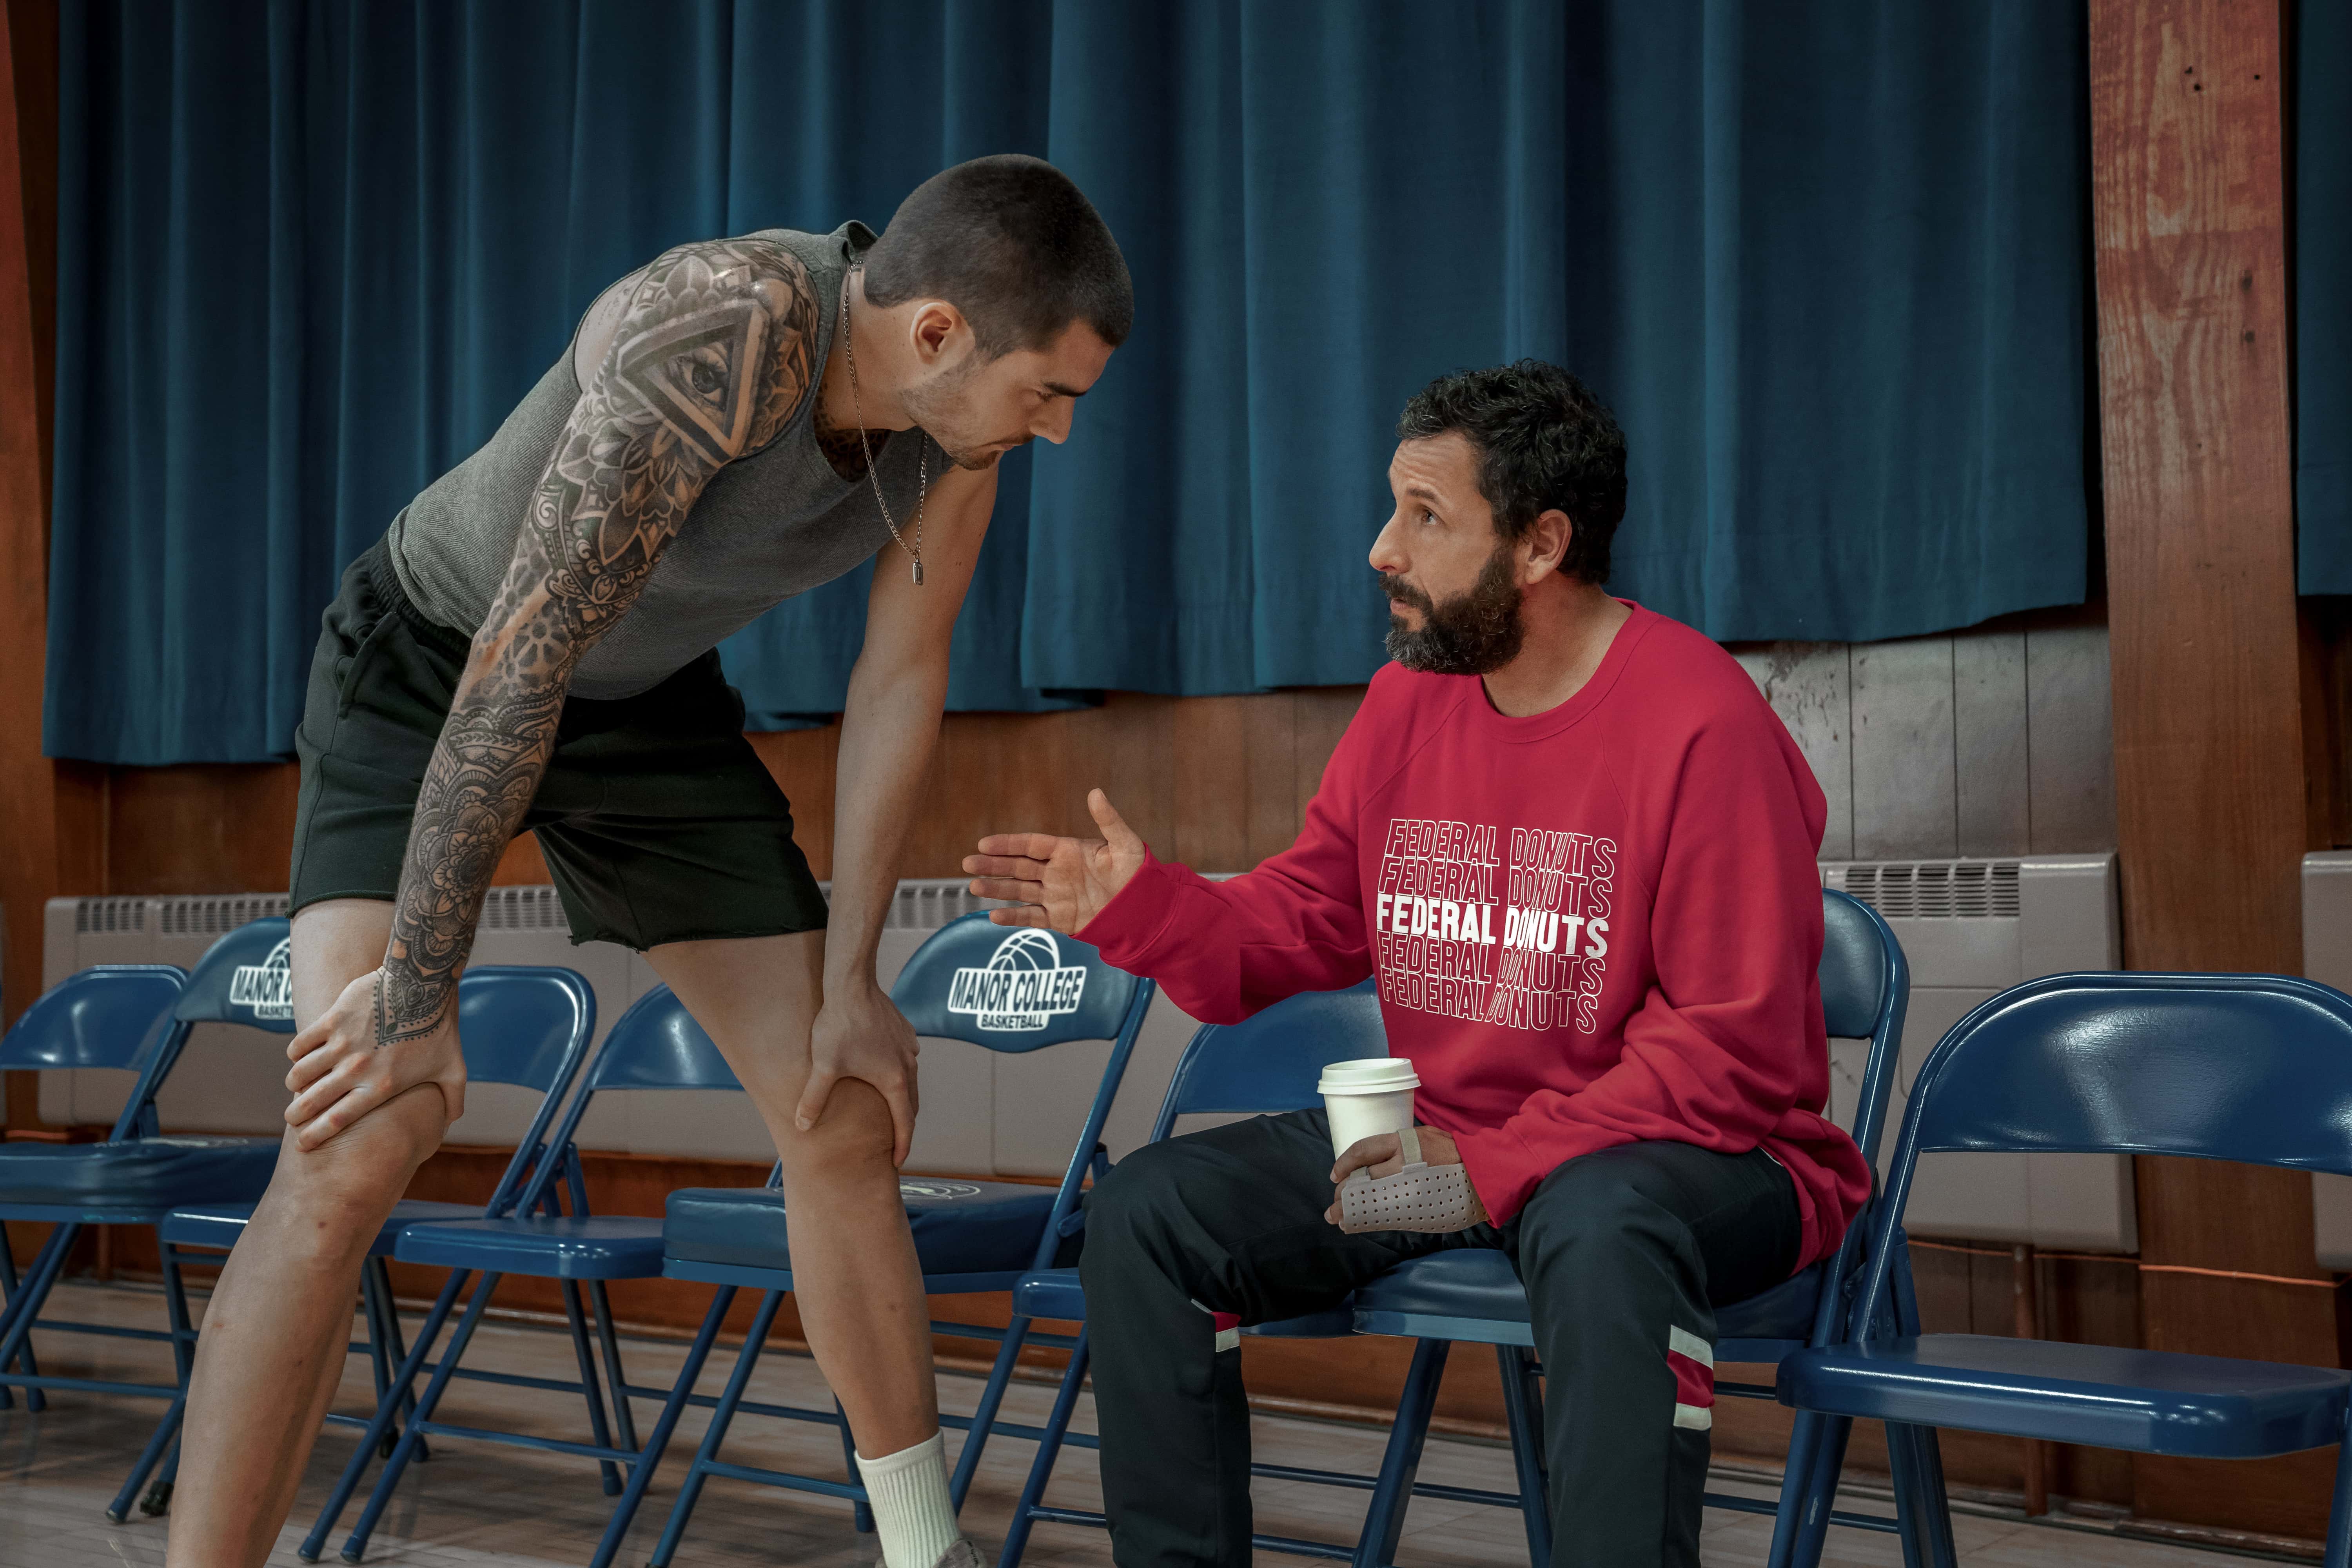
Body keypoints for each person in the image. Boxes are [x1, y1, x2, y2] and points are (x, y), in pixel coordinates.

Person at [169, 154, 1129, 1568]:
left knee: (839, 1102)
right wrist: (417, 984)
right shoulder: (722, 329)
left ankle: (927, 1554)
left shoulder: (955, 436)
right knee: (362, 1133)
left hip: (643, 700)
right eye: (1046, 391)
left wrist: (854, 975)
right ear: (936, 334)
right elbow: (514, 663)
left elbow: (899, 673)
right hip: (438, 662)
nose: (1054, 431)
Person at [964, 361, 1873, 1568]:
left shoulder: (1703, 723)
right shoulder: (1408, 703)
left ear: (1542, 545)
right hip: (1454, 1162)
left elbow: (1728, 1053)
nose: (1383, 548)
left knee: (1606, 1227)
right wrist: (1144, 909)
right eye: (1394, 507)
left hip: (1701, 1163)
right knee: (1148, 1211)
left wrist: (1482, 1168)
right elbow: (1298, 920)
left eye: (1427, 517)